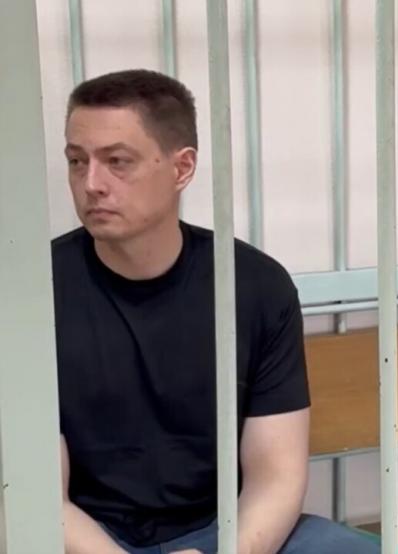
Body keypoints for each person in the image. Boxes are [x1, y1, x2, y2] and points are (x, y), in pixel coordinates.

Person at [54, 69, 379, 554]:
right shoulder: (31, 296)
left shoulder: (256, 286)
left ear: (182, 168)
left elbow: (276, 477)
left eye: (117, 161)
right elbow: (36, 492)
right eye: (77, 161)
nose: (91, 183)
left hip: (222, 532)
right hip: (83, 540)